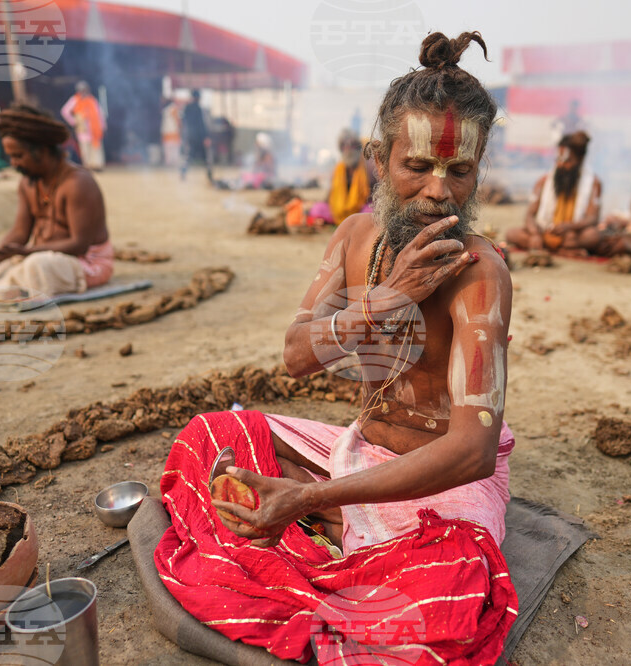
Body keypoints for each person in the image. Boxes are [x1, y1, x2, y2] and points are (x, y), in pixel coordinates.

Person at [155, 32, 518, 663]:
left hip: (443, 484)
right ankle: (344, 533)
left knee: (454, 584)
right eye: (417, 166)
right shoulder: (354, 236)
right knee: (210, 435)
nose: (439, 191)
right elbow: (296, 358)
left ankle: (319, 523)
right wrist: (387, 299)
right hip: (357, 450)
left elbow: (473, 451)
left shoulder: (481, 272)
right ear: (380, 159)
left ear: (477, 173)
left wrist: (306, 498)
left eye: (459, 171)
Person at [0, 104, 112, 299]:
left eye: (18, 156)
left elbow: (79, 245)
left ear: (42, 151)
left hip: (85, 263)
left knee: (37, 266)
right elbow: (20, 232)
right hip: (38, 254)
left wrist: (26, 251)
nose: (13, 163)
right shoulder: (27, 183)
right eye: (10, 157)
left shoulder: (77, 183)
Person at [505, 132, 631, 259]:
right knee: (511, 233)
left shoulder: (593, 183)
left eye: (567, 161)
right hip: (545, 232)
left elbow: (592, 218)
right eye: (558, 159)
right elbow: (530, 215)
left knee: (593, 235)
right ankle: (563, 249)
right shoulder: (543, 181)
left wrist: (570, 226)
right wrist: (535, 233)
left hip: (575, 234)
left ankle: (557, 247)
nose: (561, 164)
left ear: (580, 160)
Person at [308, 128, 377, 227]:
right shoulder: (338, 169)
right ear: (341, 148)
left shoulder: (368, 167)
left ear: (358, 147)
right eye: (345, 145)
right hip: (339, 211)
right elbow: (331, 195)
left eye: (352, 145)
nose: (348, 149)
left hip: (361, 210)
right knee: (317, 208)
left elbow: (375, 194)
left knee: (371, 211)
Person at [61, 81, 106, 171]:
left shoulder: (92, 100)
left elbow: (100, 114)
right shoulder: (74, 99)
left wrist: (103, 125)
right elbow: (65, 111)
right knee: (85, 147)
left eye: (85, 89)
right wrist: (74, 121)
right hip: (83, 127)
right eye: (81, 90)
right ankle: (88, 165)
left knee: (96, 146)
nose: (83, 91)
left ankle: (97, 165)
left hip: (94, 128)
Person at [180, 89, 213, 181]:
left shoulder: (186, 108)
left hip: (190, 136)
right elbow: (201, 124)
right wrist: (206, 137)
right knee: (206, 157)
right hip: (199, 137)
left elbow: (183, 122)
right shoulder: (198, 108)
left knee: (189, 156)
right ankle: (210, 175)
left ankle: (183, 172)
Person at [159, 98, 181, 167]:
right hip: (173, 132)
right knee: (174, 150)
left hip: (166, 132)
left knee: (167, 150)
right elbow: (178, 120)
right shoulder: (173, 108)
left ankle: (168, 163)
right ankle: (173, 163)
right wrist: (181, 127)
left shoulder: (165, 110)